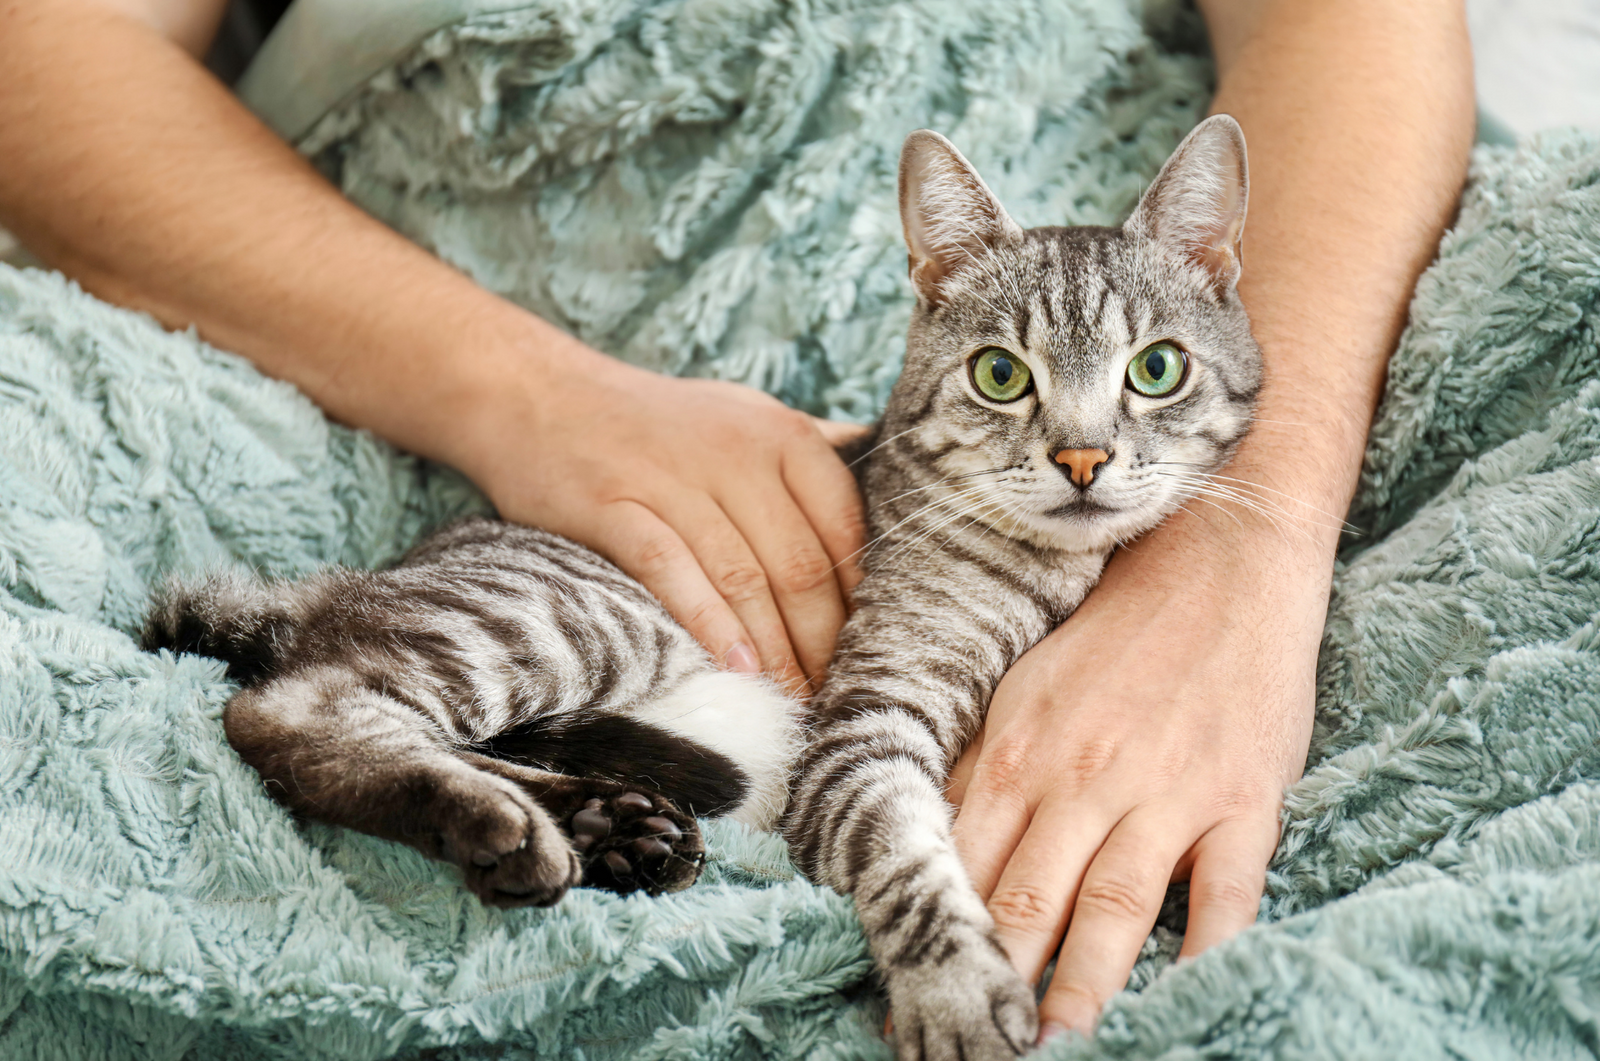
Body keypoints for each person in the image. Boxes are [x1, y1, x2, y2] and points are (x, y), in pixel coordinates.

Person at [0, 0, 1474, 1039]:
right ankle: (347, 724)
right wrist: (531, 397)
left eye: (1142, 383)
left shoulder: (1170, 374)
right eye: (1041, 394)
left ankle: (489, 762)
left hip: (1293, 391)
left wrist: (1255, 538)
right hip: (495, 453)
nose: (1087, 453)